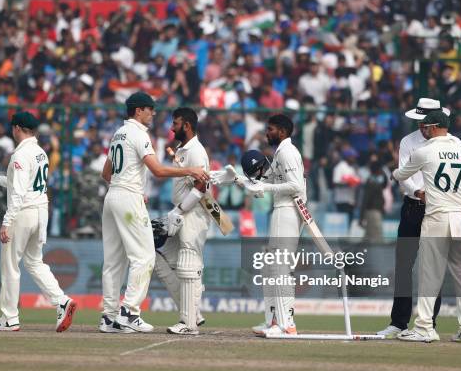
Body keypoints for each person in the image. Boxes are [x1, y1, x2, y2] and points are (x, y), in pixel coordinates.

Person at [99, 92, 209, 333]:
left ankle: (108, 317)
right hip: (128, 199)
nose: (153, 113)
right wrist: (190, 170)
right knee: (145, 257)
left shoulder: (118, 134)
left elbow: (106, 174)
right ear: (138, 111)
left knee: (113, 261)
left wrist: (125, 186)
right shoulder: (139, 134)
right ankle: (129, 312)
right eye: (150, 109)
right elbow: (157, 170)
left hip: (112, 198)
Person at [377, 98, 461, 338]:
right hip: (453, 214)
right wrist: (417, 191)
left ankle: (425, 326)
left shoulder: (428, 149)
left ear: (433, 124)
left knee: (430, 272)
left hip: (435, 213)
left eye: (425, 123)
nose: (422, 126)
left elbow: (400, 173)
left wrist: (395, 173)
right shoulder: (457, 148)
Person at [0, 112, 76, 332]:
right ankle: (61, 300)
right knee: (34, 262)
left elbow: (19, 192)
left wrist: (6, 221)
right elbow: (24, 184)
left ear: (17, 128)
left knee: (10, 265)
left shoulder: (20, 155)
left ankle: (9, 318)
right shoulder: (41, 152)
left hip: (23, 213)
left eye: (13, 128)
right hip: (40, 212)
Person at [211, 114, 306, 337]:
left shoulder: (288, 152)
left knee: (281, 267)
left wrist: (263, 190)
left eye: (270, 129)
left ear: (282, 131)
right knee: (271, 266)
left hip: (289, 210)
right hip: (281, 210)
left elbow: (296, 185)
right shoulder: (280, 153)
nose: (267, 133)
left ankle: (287, 325)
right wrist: (234, 179)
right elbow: (265, 182)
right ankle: (273, 321)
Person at [154, 107, 210, 335]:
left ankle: (188, 324)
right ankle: (193, 313)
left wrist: (178, 211)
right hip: (179, 213)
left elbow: (202, 186)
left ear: (186, 125)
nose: (171, 127)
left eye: (175, 124)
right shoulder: (182, 149)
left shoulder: (197, 151)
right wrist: (175, 212)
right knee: (156, 254)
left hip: (192, 214)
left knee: (189, 265)